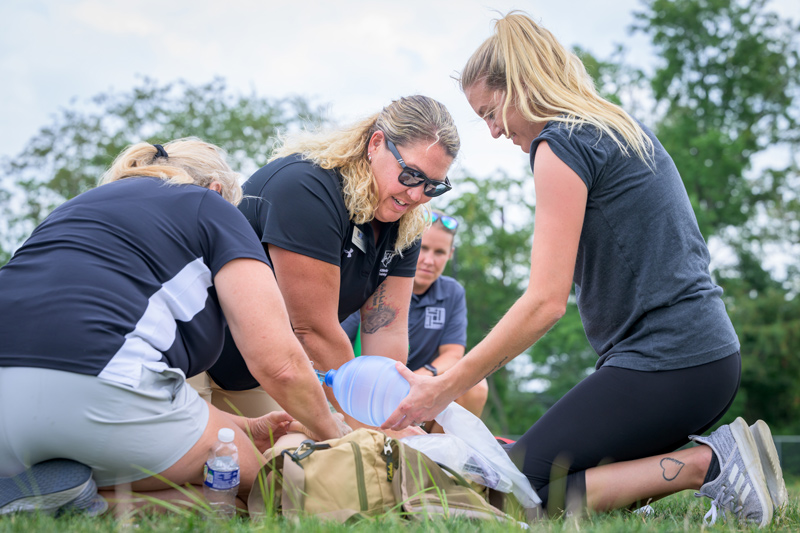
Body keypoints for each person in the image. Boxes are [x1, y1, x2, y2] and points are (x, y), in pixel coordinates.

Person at [381, 12, 787, 527]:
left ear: (523, 87)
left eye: (490, 112)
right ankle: (718, 462)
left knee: (514, 492)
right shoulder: (611, 126)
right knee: (541, 486)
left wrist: (444, 386)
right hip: (701, 360)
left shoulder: (561, 144)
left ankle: (708, 464)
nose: (493, 131)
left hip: (670, 363)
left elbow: (545, 302)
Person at [0, 139, 348, 515]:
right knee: (255, 480)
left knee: (233, 446)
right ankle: (93, 505)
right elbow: (278, 362)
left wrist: (246, 425)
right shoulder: (209, 205)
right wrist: (337, 437)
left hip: (8, 414)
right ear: (217, 189)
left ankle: (44, 491)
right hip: (106, 390)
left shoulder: (70, 210)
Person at [194, 95, 460, 431]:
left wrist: (388, 413)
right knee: (212, 470)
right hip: (194, 353)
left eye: (432, 186)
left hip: (258, 372)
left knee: (277, 472)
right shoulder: (307, 187)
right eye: (409, 175)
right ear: (376, 144)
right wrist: (366, 423)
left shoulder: (405, 223)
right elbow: (313, 331)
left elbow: (387, 331)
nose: (417, 195)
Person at [341, 211, 488, 432]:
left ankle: (440, 462)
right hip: (370, 390)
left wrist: (418, 380)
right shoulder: (377, 282)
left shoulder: (452, 292)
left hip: (421, 390)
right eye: (424, 249)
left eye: (439, 252)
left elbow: (453, 354)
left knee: (476, 385)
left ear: (450, 254)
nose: (429, 261)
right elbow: (337, 342)